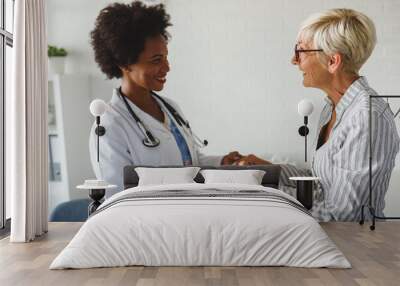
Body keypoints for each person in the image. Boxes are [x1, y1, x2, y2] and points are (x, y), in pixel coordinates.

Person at [89, 1, 264, 197]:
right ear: (125, 63)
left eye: (166, 57)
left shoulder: (170, 108)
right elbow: (117, 195)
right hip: (149, 221)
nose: (167, 68)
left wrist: (222, 162)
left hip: (186, 211)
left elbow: (189, 163)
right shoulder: (110, 126)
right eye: (156, 60)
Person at [280, 8, 400, 221]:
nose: (294, 60)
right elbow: (322, 185)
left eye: (300, 51)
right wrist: (268, 172)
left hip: (352, 246)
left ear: (333, 62)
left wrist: (275, 210)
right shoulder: (332, 107)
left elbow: (344, 217)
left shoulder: (366, 118)